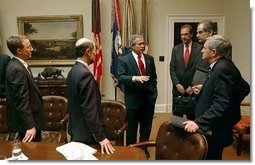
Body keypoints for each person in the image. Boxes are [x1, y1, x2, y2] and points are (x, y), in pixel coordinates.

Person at [183, 35, 250, 160]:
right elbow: (243, 87)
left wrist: (199, 122)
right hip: (213, 125)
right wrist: (205, 88)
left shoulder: (222, 68)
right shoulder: (221, 65)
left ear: (213, 52)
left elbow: (222, 103)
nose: (202, 50)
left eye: (204, 48)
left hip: (214, 128)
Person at [66, 38, 115, 155]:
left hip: (76, 129)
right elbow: (90, 110)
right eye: (94, 51)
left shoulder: (73, 71)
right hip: (87, 133)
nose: (95, 54)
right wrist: (101, 137)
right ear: (88, 51)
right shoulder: (85, 75)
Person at [117, 34, 158, 159]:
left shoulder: (150, 58)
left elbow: (154, 78)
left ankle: (143, 149)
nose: (143, 46)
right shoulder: (124, 60)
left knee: (146, 128)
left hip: (148, 99)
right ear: (132, 46)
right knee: (132, 129)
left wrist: (154, 93)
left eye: (143, 43)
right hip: (133, 100)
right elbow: (121, 77)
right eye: (139, 44)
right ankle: (131, 150)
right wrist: (135, 78)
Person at [6, 35, 44, 142]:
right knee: (33, 155)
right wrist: (30, 126)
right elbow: (21, 100)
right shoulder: (16, 69)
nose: (32, 49)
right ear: (19, 51)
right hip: (27, 125)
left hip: (32, 120)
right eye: (28, 47)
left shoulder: (20, 65)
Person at [170, 24, 206, 120]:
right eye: (182, 34)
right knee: (177, 118)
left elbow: (201, 69)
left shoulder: (200, 48)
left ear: (191, 35)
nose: (183, 37)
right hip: (178, 89)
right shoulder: (175, 49)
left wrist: (192, 86)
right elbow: (172, 69)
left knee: (192, 119)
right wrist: (177, 84)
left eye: (186, 34)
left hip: (193, 89)